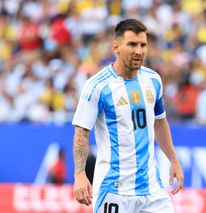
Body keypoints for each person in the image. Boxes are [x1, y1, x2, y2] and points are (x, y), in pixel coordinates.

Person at [72, 18, 184, 213]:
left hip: (152, 190)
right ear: (116, 46)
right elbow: (81, 133)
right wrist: (80, 174)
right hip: (114, 190)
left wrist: (174, 159)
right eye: (132, 44)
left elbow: (159, 122)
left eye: (143, 45)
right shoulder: (98, 86)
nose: (139, 51)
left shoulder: (153, 80)